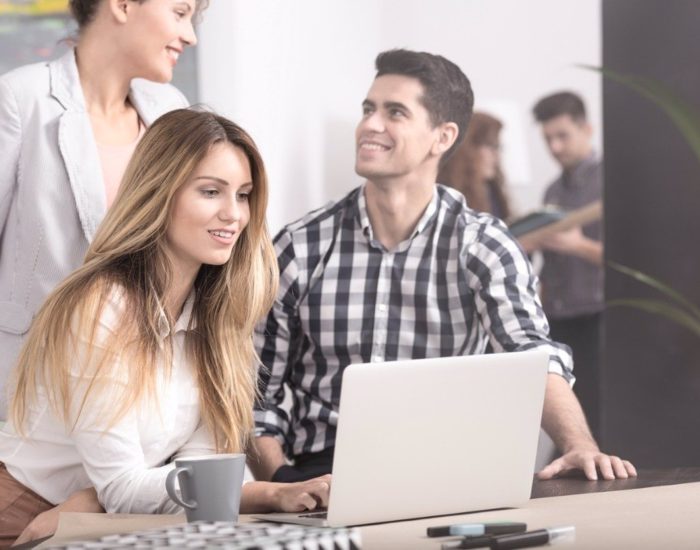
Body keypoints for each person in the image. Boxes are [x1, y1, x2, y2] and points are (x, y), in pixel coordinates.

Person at [249, 49, 635, 485]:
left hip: (449, 468)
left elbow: (532, 354)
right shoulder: (298, 247)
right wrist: (281, 483)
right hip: (321, 470)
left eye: (395, 112)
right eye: (368, 109)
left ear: (443, 137)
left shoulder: (484, 244)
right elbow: (258, 394)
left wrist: (578, 445)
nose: (370, 125)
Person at [0, 109, 331, 547]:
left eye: (244, 195)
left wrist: (275, 494)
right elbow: (125, 488)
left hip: (102, 518)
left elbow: (193, 479)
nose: (234, 214)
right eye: (211, 192)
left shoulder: (214, 319)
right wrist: (97, 500)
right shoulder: (103, 306)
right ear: (160, 193)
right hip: (23, 515)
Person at [0, 0, 204, 419]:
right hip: (36, 391)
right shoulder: (21, 98)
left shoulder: (172, 111)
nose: (190, 35)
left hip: (140, 393)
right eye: (180, 13)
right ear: (123, 5)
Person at [531, 91, 603, 436]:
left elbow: (632, 258)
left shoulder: (611, 183)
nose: (555, 147)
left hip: (598, 318)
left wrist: (577, 245)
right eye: (548, 139)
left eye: (563, 136)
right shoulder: (552, 192)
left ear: (586, 129)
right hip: (557, 320)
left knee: (598, 413)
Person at [437, 111, 512, 221]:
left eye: (498, 147)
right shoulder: (445, 197)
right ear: (468, 149)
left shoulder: (492, 192)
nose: (497, 156)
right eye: (491, 146)